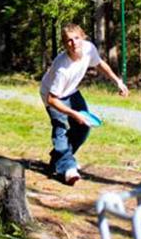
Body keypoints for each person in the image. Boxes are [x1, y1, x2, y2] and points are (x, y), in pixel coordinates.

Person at [40, 23, 128, 185]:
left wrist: (117, 81)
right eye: (68, 41)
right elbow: (52, 99)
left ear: (83, 37)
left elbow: (100, 63)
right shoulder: (62, 68)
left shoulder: (89, 48)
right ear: (64, 44)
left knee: (84, 127)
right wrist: (74, 114)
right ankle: (68, 168)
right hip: (52, 96)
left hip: (71, 91)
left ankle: (59, 158)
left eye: (76, 38)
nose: (73, 43)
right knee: (61, 128)